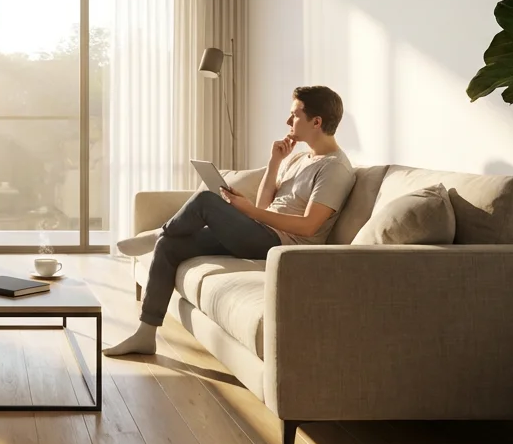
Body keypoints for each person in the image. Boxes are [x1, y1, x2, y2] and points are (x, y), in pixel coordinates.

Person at [104, 85, 356, 357]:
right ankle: (145, 335)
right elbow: (263, 205)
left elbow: (309, 226)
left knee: (205, 201)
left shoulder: (334, 168)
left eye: (294, 115)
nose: (287, 121)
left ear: (316, 122)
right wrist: (274, 163)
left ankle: (156, 234)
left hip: (282, 245)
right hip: (261, 232)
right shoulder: (299, 158)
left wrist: (246, 210)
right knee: (170, 245)